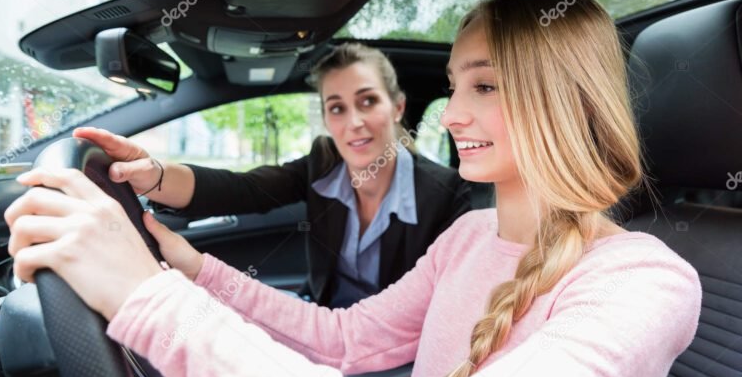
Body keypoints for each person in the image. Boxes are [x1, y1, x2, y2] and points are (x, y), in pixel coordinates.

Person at [6, 0, 701, 377]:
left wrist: (149, 300)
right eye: (455, 87)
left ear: (563, 99)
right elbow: (341, 340)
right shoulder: (467, 238)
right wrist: (188, 268)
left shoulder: (644, 282)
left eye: (484, 86)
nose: (454, 116)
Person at [72, 43, 471, 309]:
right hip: (324, 315)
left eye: (368, 101)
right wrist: (155, 175)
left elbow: (433, 310)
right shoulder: (323, 160)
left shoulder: (442, 194)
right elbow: (245, 190)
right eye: (336, 108)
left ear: (398, 107)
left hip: (389, 348)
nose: (354, 123)